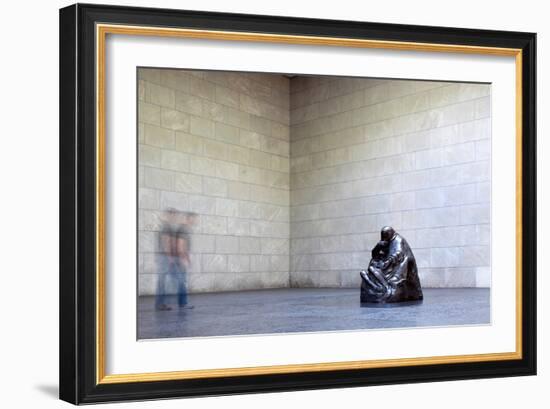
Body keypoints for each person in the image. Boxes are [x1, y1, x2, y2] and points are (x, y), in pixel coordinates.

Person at [155, 208, 194, 311]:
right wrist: (171, 257)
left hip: (167, 257)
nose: (175, 218)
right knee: (176, 280)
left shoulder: (169, 227)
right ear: (169, 215)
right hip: (166, 257)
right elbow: (167, 243)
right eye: (174, 215)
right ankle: (169, 303)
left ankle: (167, 303)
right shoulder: (167, 228)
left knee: (169, 280)